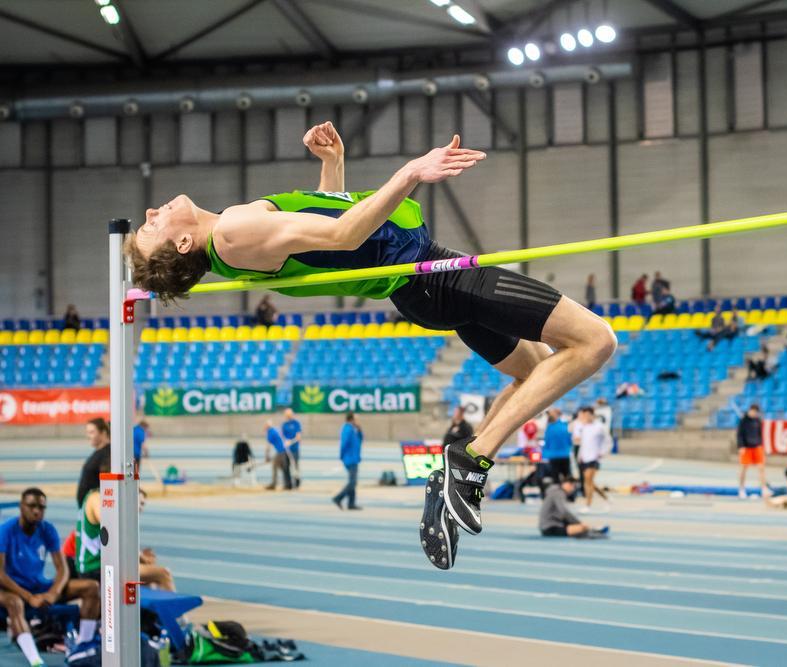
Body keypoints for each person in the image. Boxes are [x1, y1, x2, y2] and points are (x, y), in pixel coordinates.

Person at [123, 121, 617, 568]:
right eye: (151, 227)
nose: (150, 211)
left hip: (422, 283)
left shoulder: (232, 236)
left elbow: (321, 236)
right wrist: (412, 172)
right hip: (427, 277)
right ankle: (470, 460)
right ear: (183, 245)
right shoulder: (232, 231)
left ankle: (455, 476)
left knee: (534, 374)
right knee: (594, 341)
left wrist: (332, 167)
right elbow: (341, 234)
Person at [0, 489, 101, 665]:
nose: (37, 511)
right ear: (21, 507)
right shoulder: (6, 530)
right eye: (31, 506)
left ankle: (83, 644)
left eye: (41, 507)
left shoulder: (47, 529)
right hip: (9, 589)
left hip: (37, 586)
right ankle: (36, 660)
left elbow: (62, 569)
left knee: (91, 587)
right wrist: (29, 597)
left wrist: (53, 593)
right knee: (14, 602)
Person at [539, 476, 608, 538]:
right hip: (551, 528)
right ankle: (589, 531)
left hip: (551, 525)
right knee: (582, 528)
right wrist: (578, 523)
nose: (573, 490)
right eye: (573, 486)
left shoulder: (556, 492)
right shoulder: (558, 493)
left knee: (581, 527)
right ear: (568, 484)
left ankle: (589, 530)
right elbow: (564, 512)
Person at [576, 406, 611, 513]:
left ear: (592, 415)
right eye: (584, 415)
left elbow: (608, 441)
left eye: (587, 415)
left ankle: (588, 505)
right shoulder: (582, 427)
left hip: (594, 457)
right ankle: (606, 498)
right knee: (590, 482)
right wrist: (579, 455)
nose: (585, 417)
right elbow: (580, 442)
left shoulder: (600, 427)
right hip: (584, 457)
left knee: (587, 481)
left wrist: (602, 452)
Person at [736, 404, 770, 499]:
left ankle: (764, 488)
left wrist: (761, 445)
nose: (754, 413)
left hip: (757, 446)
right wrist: (741, 446)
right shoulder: (743, 421)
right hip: (746, 447)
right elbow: (739, 434)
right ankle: (741, 489)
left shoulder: (757, 421)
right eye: (753, 411)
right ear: (750, 410)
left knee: (761, 468)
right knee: (743, 469)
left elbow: (760, 434)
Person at [76, 417, 111, 507]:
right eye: (87, 432)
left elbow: (108, 484)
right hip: (88, 508)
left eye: (91, 432)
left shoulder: (108, 453)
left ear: (103, 433)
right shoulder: (99, 452)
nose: (88, 436)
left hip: (96, 510)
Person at [333, 412, 363, 510]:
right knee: (353, 482)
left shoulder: (354, 429)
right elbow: (344, 444)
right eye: (356, 419)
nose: (358, 421)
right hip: (350, 458)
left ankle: (351, 503)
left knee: (352, 481)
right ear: (351, 419)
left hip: (354, 458)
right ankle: (338, 498)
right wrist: (342, 456)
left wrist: (359, 430)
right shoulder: (347, 429)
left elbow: (360, 440)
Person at [542, 408, 573, 481]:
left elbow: (547, 443)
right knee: (567, 479)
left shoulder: (550, 428)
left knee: (556, 479)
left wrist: (544, 455)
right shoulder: (565, 426)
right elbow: (570, 442)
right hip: (564, 455)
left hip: (554, 456)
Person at [264, 420, 292, 491]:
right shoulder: (276, 429)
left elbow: (268, 446)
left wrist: (267, 457)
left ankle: (274, 484)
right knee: (284, 468)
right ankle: (288, 484)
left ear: (267, 426)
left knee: (275, 466)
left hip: (280, 451)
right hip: (285, 450)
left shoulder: (270, 432)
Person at [281, 408, 303, 488]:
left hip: (294, 448)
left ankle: (297, 482)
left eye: (289, 414)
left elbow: (298, 436)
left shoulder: (296, 423)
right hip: (286, 449)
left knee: (295, 466)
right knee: (286, 466)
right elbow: (282, 436)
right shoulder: (284, 424)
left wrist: (292, 441)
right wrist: (285, 442)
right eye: (286, 414)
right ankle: (288, 484)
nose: (288, 416)